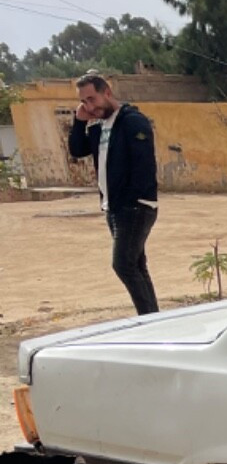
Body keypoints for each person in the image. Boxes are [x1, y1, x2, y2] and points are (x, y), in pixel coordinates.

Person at [68, 71, 160, 314]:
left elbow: (144, 165)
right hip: (113, 208)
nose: (89, 106)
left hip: (134, 206)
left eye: (92, 99)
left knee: (123, 264)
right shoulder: (99, 126)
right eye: (84, 101)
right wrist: (79, 121)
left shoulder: (132, 121)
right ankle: (152, 319)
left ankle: (149, 320)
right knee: (136, 265)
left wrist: (133, 199)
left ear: (106, 93)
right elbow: (77, 150)